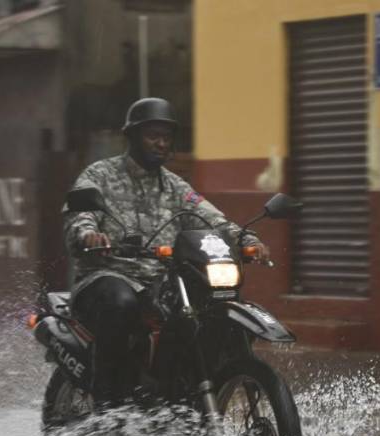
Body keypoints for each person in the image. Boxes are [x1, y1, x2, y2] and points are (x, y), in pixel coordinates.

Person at [63, 97, 269, 404]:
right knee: (120, 303)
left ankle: (180, 390)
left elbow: (211, 218)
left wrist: (246, 240)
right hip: (107, 275)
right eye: (152, 135)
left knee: (208, 307)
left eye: (166, 137)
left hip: (160, 280)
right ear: (132, 136)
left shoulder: (176, 187)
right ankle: (109, 403)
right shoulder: (100, 175)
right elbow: (79, 213)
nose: (161, 143)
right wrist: (88, 234)